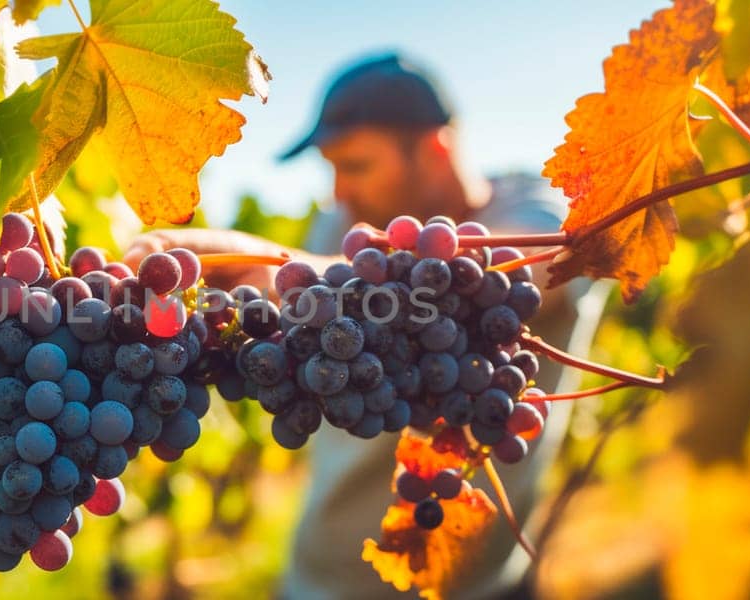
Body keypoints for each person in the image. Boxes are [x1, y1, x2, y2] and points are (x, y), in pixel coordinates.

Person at [126, 53, 606, 598]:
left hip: (479, 584)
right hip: (320, 578)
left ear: (434, 150)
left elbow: (504, 276)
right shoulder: (341, 224)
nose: (337, 192)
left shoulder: (540, 213)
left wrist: (305, 280)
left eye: (354, 165)